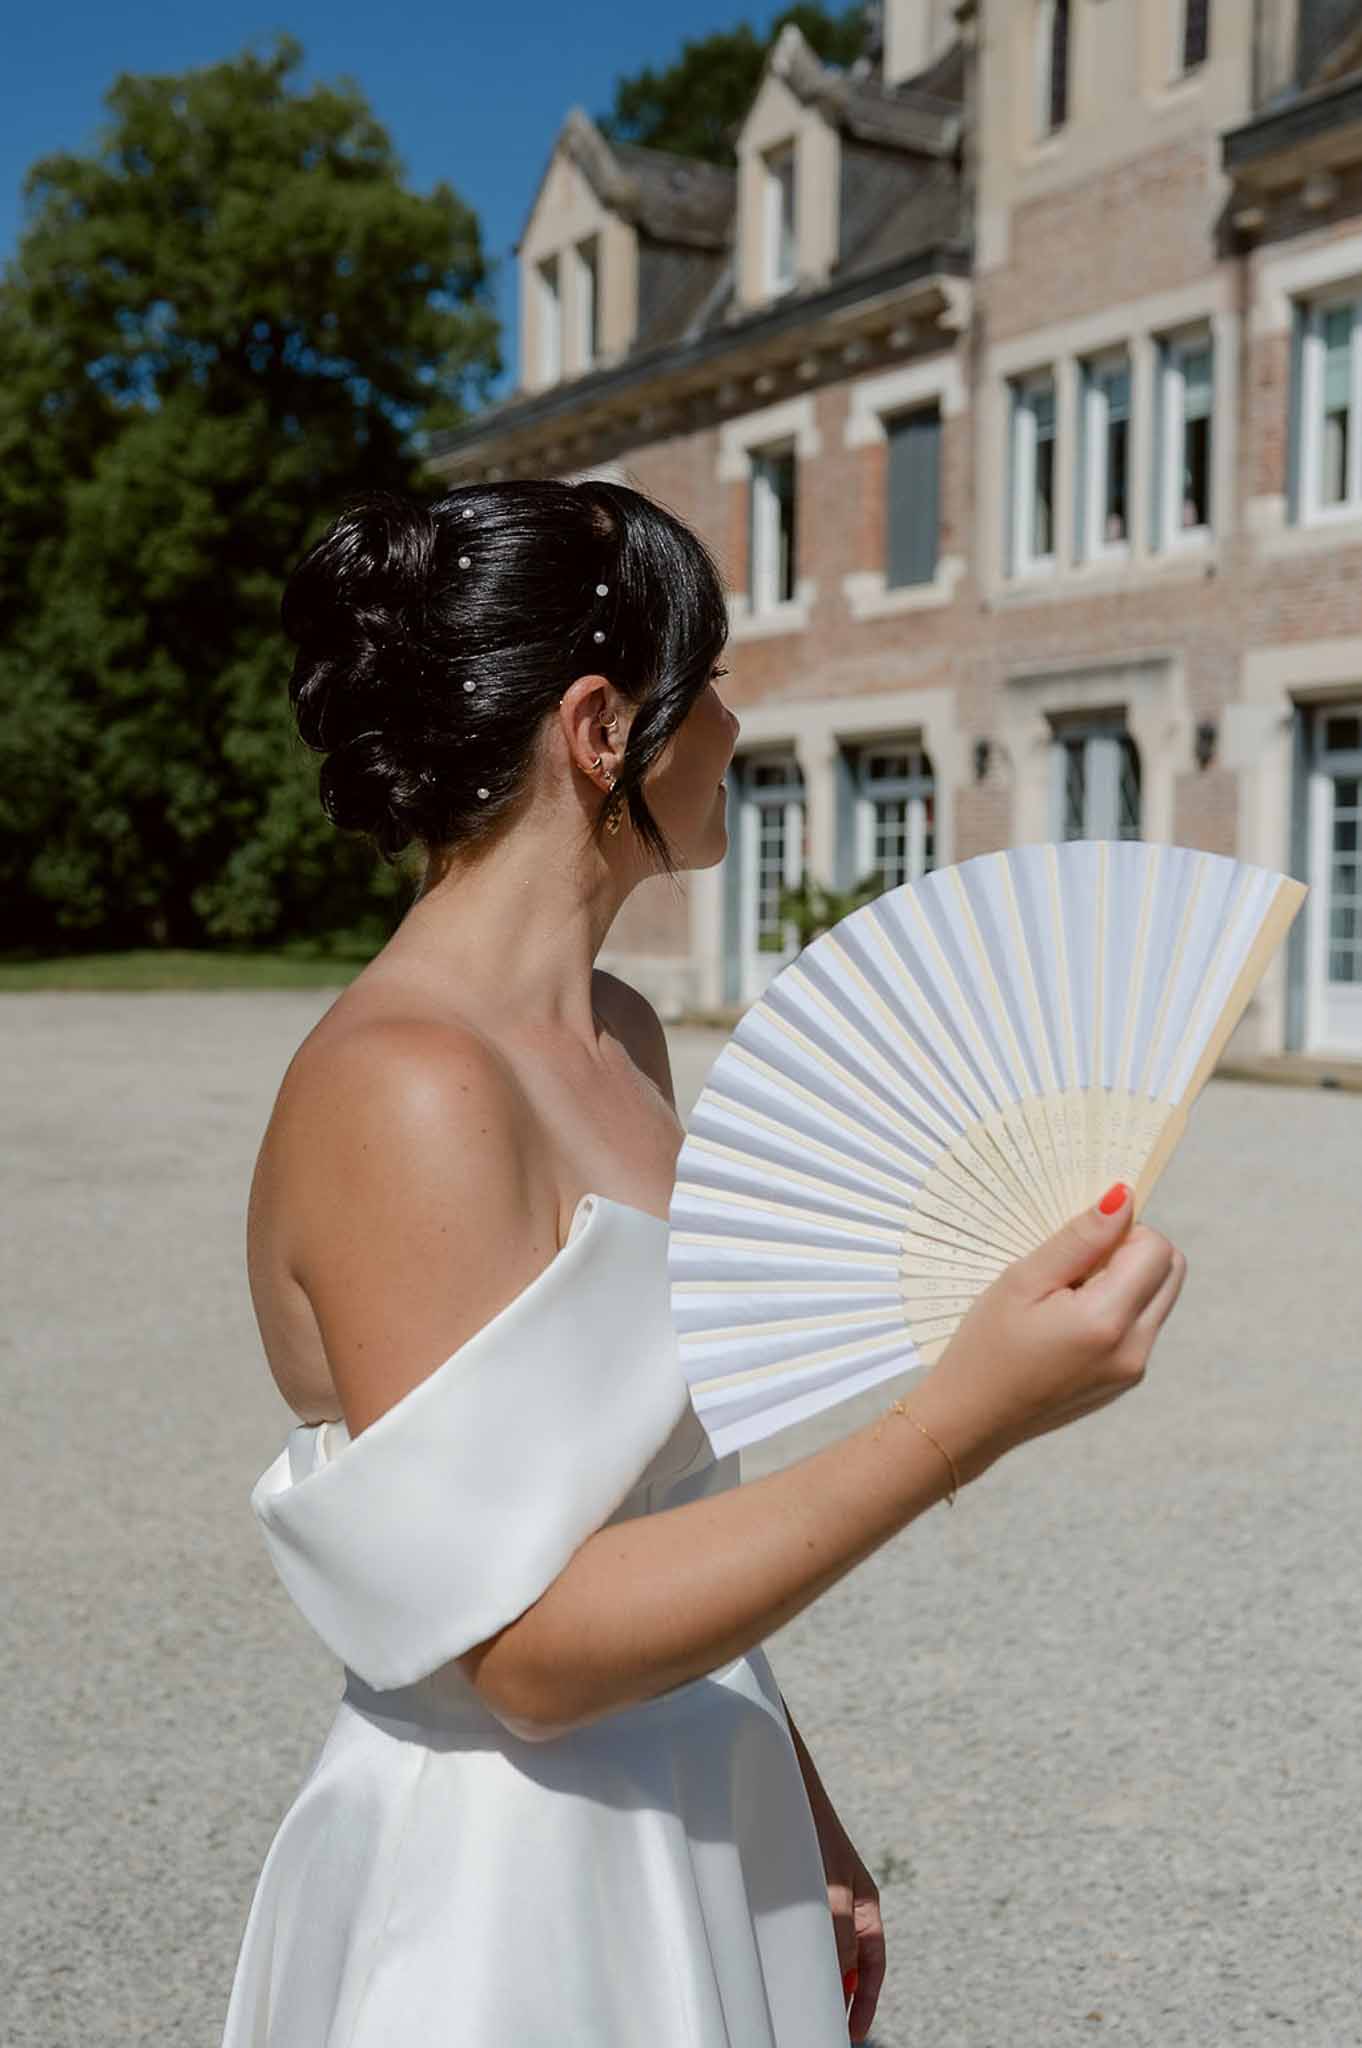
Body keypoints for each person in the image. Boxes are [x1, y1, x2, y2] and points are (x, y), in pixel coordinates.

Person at [221, 479, 1186, 2047]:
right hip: (509, 1890)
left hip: (693, 1796)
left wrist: (791, 1800)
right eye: (713, 675)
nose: (734, 721)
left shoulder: (618, 1036)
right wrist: (962, 1420)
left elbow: (651, 1502)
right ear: (602, 728)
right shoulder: (406, 1083)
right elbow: (519, 1651)